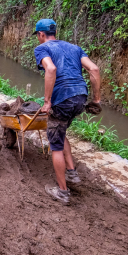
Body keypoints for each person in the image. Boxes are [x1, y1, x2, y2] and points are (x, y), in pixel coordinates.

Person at [33, 19, 102, 204]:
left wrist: (47, 102)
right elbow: (94, 69)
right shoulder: (75, 48)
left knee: (55, 143)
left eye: (38, 36)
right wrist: (96, 100)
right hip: (80, 97)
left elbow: (51, 69)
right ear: (55, 31)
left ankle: (62, 192)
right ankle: (72, 173)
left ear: (41, 34)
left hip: (62, 100)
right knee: (61, 131)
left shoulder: (42, 49)